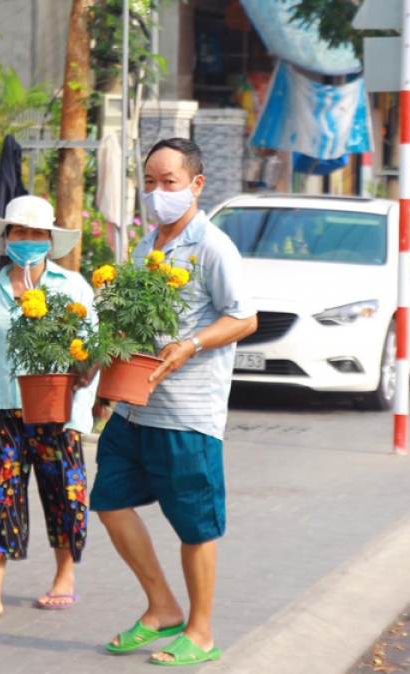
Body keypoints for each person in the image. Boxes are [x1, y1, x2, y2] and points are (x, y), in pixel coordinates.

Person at [91, 138, 258, 666]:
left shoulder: (213, 246)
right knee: (109, 501)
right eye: (151, 182)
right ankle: (162, 606)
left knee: (194, 524)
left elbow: (244, 318)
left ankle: (202, 632)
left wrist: (191, 343)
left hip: (187, 414)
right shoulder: (146, 248)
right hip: (135, 405)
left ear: (196, 185)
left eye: (170, 182)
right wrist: (99, 362)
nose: (158, 192)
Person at [0, 195, 98, 620]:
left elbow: (91, 356)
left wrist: (78, 416)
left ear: (50, 240)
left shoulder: (73, 288)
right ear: (6, 237)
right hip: (1, 413)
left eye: (37, 234)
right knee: (1, 497)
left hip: (57, 412)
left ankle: (64, 579)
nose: (28, 240)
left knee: (65, 494)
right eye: (20, 232)